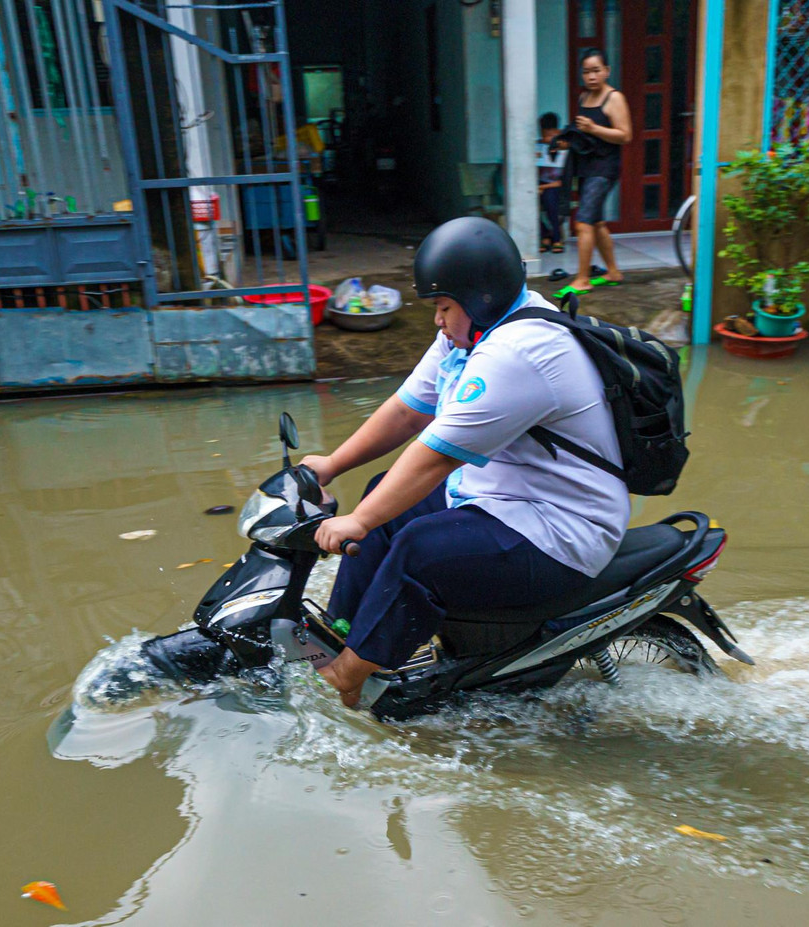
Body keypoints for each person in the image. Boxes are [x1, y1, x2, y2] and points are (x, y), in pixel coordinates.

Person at [302, 217, 630, 708]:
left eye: (442, 306)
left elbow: (434, 457)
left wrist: (356, 521)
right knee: (381, 492)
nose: (437, 319)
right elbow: (408, 410)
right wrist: (329, 466)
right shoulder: (474, 330)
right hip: (503, 495)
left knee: (417, 546)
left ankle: (347, 677)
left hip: (562, 527)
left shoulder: (519, 352)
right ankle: (343, 632)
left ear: (478, 300)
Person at [563, 48, 631, 296]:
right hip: (587, 166)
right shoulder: (583, 98)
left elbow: (625, 135)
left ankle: (582, 279)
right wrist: (568, 139)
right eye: (586, 72)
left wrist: (593, 128)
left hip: (605, 168)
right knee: (596, 222)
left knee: (583, 222)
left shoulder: (614, 98)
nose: (591, 76)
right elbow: (584, 135)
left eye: (596, 70)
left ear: (607, 71)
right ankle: (613, 271)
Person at [538, 112, 567, 253]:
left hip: (555, 186)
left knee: (550, 198)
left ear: (557, 132)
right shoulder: (538, 147)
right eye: (544, 136)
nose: (547, 139)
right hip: (540, 184)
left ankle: (556, 238)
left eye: (550, 136)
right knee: (527, 200)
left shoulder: (564, 149)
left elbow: (562, 182)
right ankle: (545, 234)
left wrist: (542, 186)